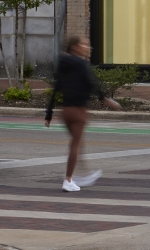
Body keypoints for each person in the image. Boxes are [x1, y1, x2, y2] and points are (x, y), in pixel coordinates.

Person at [44, 36, 112, 192]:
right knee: (75, 144)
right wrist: (104, 98)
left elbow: (56, 89)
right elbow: (91, 83)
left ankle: (80, 174)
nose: (87, 47)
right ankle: (69, 180)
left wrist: (48, 113)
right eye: (84, 44)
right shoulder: (82, 64)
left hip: (65, 111)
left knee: (77, 143)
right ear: (75, 47)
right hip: (78, 111)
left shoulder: (63, 64)